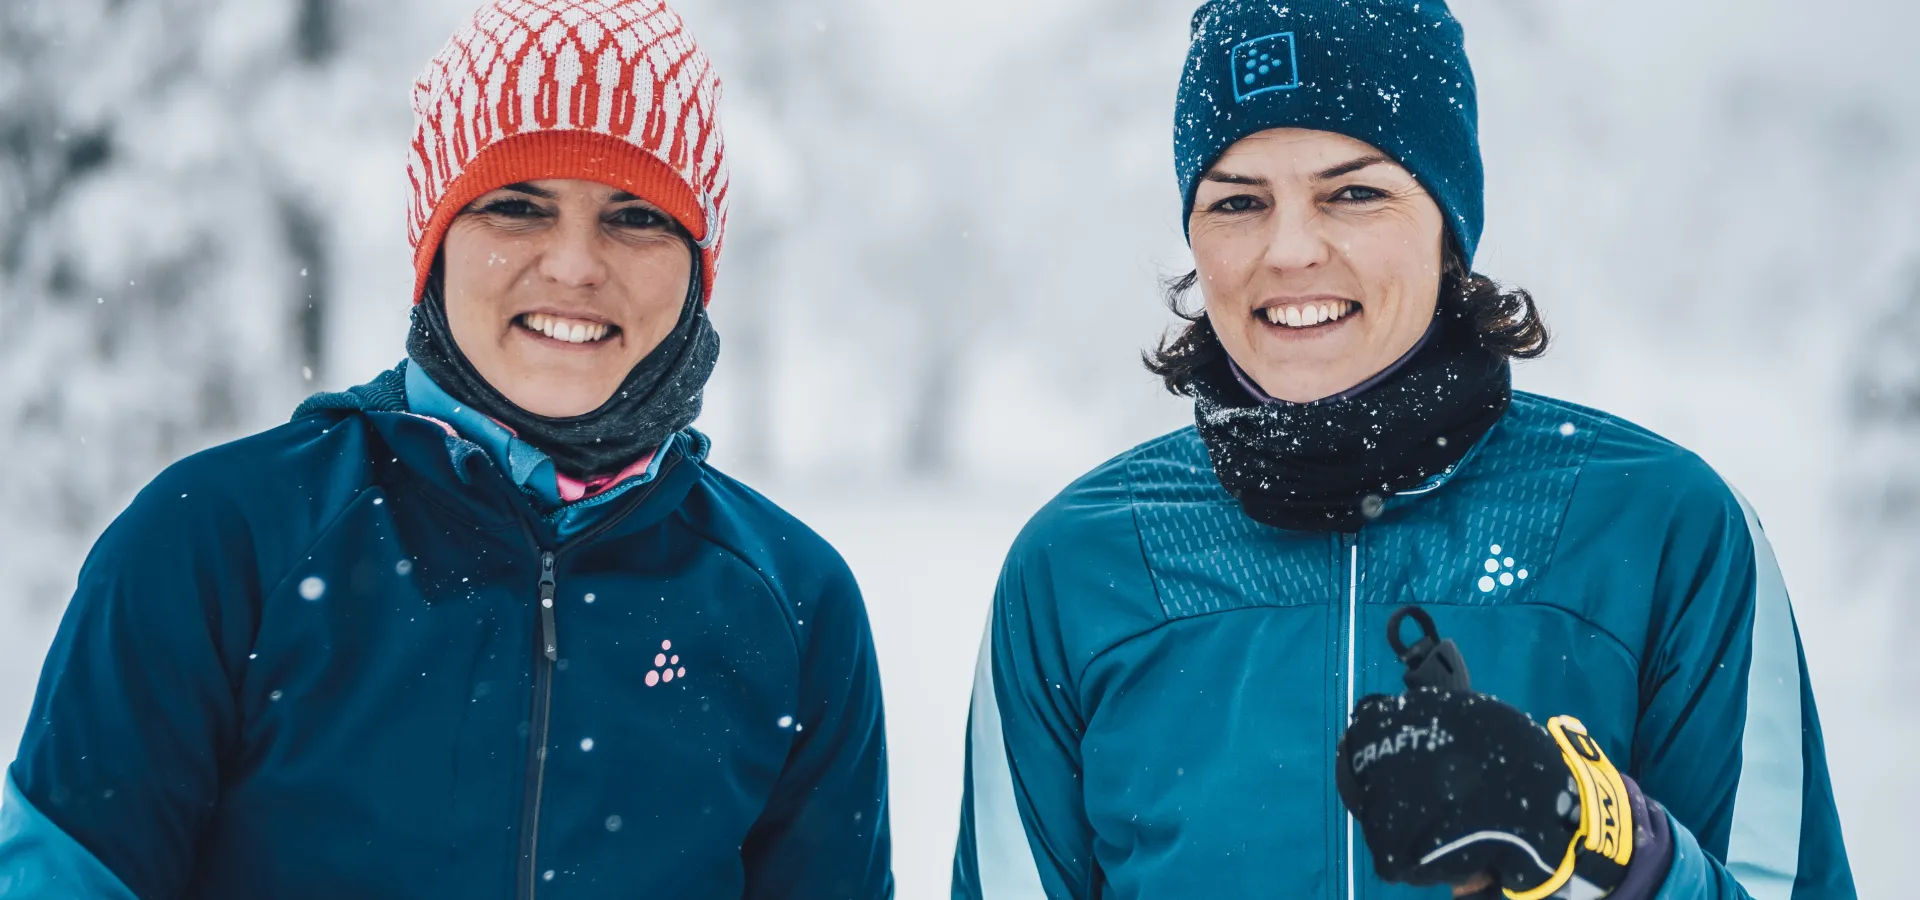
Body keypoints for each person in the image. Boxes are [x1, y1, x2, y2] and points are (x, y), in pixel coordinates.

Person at [951, 1, 1853, 899]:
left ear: (1448, 222)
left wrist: (1607, 851)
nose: (1291, 250)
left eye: (1354, 192)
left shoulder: (1665, 532)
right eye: (1237, 201)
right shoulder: (1074, 571)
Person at [0, 1, 892, 897]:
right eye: (516, 206)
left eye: (636, 217)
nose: (576, 264)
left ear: (699, 262)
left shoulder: (794, 605)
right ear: (435, 241)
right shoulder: (217, 544)